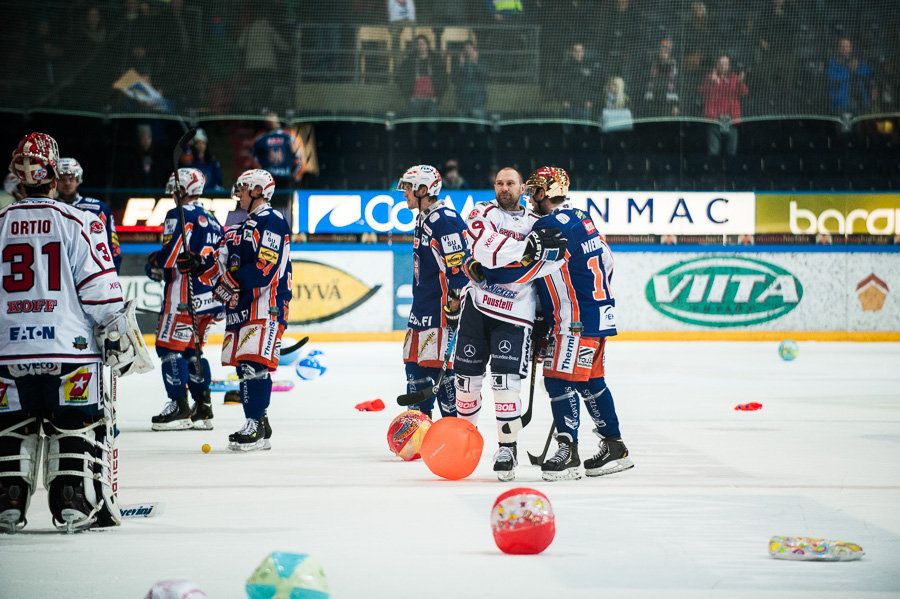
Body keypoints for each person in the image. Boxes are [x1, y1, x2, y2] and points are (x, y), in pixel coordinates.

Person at [0, 132, 152, 533]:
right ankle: (75, 502)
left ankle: (8, 504)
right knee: (77, 427)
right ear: (53, 175)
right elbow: (101, 292)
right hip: (71, 352)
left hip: (7, 355)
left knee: (9, 432)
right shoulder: (79, 221)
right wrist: (122, 340)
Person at [480, 167, 632, 481]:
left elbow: (530, 269)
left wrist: (485, 275)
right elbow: (607, 260)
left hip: (573, 320)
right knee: (591, 381)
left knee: (558, 381)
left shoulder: (550, 224)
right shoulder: (583, 217)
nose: (530, 196)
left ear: (544, 192)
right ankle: (614, 445)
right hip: (598, 314)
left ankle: (569, 450)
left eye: (534, 189)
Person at [454, 167, 567, 481]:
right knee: (466, 383)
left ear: (522, 188)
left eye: (511, 183)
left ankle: (507, 448)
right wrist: (526, 252)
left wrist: (544, 321)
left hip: (516, 316)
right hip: (476, 309)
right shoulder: (480, 212)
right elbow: (481, 250)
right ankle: (465, 440)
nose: (504, 188)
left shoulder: (540, 224)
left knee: (505, 386)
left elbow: (547, 267)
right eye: (500, 183)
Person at [177, 169, 292, 452]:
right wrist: (199, 265)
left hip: (267, 303)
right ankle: (260, 424)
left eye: (243, 187)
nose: (237, 192)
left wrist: (230, 282)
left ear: (257, 190)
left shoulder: (273, 221)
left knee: (254, 364)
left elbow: (265, 268)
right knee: (244, 366)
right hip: (241, 306)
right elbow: (220, 261)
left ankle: (254, 422)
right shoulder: (239, 228)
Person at [146, 168, 224, 432]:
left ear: (182, 189)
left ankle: (179, 406)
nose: (172, 194)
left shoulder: (178, 214)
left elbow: (170, 257)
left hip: (183, 296)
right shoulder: (213, 219)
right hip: (209, 298)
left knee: (169, 349)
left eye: (174, 189)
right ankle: (203, 407)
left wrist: (153, 262)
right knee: (193, 351)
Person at [397, 165, 468, 419]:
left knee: (439, 372)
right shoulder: (424, 217)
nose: (404, 193)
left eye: (408, 187)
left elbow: (459, 270)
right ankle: (419, 429)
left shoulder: (445, 220)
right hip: (421, 311)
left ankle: (454, 429)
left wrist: (454, 306)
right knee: (414, 369)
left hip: (439, 314)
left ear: (423, 189)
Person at [56, 158, 122, 273]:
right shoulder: (47, 208)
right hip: (57, 272)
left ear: (79, 179)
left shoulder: (99, 209)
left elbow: (113, 248)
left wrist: (112, 276)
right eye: (62, 179)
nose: (67, 183)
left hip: (92, 273)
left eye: (71, 178)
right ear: (55, 181)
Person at [251, 111, 305, 209]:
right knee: (267, 209)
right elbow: (253, 159)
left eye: (271, 115)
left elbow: (299, 156)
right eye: (266, 116)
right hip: (267, 181)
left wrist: (298, 172)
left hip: (285, 179)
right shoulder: (260, 138)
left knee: (285, 209)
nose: (268, 118)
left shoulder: (290, 135)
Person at [701, 55, 749, 156]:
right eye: (721, 63)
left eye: (726, 64)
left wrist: (740, 83)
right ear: (717, 64)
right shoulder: (710, 77)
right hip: (714, 119)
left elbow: (744, 93)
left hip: (730, 120)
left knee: (731, 152)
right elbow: (703, 91)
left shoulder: (734, 78)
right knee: (714, 151)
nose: (723, 66)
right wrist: (712, 81)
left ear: (729, 65)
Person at [398, 36, 447, 129]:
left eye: (423, 43)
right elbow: (401, 79)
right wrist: (409, 96)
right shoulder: (409, 61)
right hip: (415, 99)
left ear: (427, 45)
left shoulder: (436, 60)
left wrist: (438, 97)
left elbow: (443, 79)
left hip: (432, 99)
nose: (421, 46)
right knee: (414, 126)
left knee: (432, 126)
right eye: (418, 44)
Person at [827, 38, 872, 116]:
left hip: (859, 99)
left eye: (847, 46)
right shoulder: (833, 62)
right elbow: (833, 76)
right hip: (842, 102)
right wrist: (849, 69)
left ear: (850, 48)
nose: (845, 49)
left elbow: (868, 72)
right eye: (842, 46)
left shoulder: (857, 61)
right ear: (838, 48)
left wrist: (857, 68)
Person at [559, 43, 598, 133]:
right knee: (568, 131)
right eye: (575, 51)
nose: (578, 53)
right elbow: (561, 84)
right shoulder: (566, 66)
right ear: (572, 52)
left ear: (583, 52)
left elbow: (593, 85)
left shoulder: (589, 66)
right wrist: (563, 100)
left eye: (580, 51)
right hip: (569, 104)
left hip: (584, 104)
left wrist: (591, 100)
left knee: (585, 131)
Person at [453, 41, 488, 129]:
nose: (468, 51)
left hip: (478, 101)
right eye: (466, 49)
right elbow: (454, 79)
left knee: (479, 127)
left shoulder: (482, 62)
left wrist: (475, 62)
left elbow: (484, 76)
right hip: (462, 101)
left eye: (470, 49)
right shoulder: (458, 63)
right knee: (463, 127)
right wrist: (461, 64)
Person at [642, 39, 679, 117]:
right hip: (653, 102)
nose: (662, 54)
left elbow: (677, 86)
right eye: (661, 51)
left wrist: (676, 105)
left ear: (669, 54)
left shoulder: (674, 67)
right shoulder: (653, 65)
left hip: (668, 104)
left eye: (665, 52)